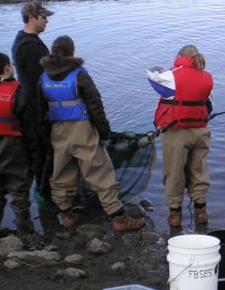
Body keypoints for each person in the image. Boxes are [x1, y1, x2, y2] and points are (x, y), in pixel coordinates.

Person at [38, 36, 145, 232]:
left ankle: (66, 215)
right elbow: (96, 106)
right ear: (72, 52)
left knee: (62, 173)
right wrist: (104, 133)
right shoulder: (79, 75)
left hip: (58, 131)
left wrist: (47, 137)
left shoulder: (43, 77)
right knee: (100, 172)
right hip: (82, 130)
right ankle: (118, 217)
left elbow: (40, 108)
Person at [0, 52, 41, 237]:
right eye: (10, 63)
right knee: (19, 194)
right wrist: (36, 159)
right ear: (6, 68)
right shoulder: (19, 94)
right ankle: (25, 234)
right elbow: (31, 132)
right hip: (14, 151)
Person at [147, 45, 214, 228]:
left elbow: (152, 76)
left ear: (179, 56)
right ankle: (201, 213)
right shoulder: (207, 77)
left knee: (174, 173)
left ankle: (175, 215)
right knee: (198, 171)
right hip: (201, 131)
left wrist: (158, 69)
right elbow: (209, 104)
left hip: (176, 131)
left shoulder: (171, 76)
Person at [11, 1, 52, 197]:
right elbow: (41, 82)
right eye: (43, 17)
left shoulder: (22, 40)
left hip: (30, 105)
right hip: (35, 109)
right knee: (42, 153)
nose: (46, 21)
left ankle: (43, 194)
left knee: (40, 152)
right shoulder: (31, 47)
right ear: (31, 18)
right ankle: (44, 196)